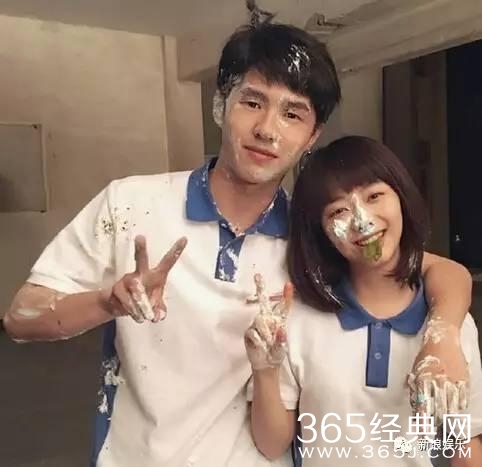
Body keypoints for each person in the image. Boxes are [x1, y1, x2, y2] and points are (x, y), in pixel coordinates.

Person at [2, 9, 472, 467]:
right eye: (252, 102)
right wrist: (108, 301)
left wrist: (444, 335)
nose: (267, 129)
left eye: (293, 114)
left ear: (312, 136)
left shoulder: (312, 235)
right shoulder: (130, 205)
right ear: (220, 104)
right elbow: (22, 317)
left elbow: (435, 269)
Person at [245, 136, 482, 466]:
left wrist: (443, 341)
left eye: (374, 196)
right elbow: (272, 446)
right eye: (338, 211)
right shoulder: (298, 320)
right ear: (321, 230)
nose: (362, 221)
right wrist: (265, 372)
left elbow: (462, 446)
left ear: (401, 197)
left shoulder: (450, 323)